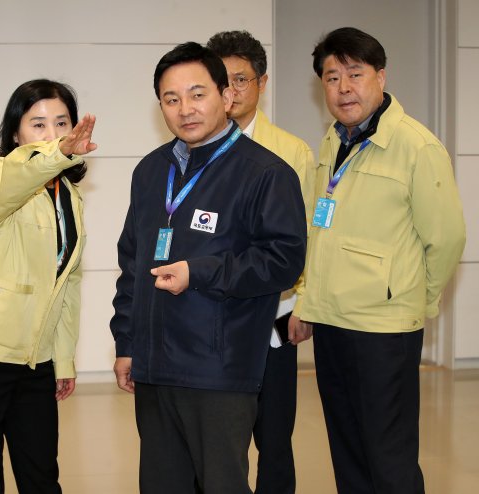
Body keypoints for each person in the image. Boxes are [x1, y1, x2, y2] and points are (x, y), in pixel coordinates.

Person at [110, 42, 307, 493]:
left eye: (198, 94)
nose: (185, 109)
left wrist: (200, 272)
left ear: (226, 95)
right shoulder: (149, 171)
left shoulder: (265, 173)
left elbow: (283, 260)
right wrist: (127, 342)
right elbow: (131, 266)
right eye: (171, 98)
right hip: (156, 366)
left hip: (219, 369)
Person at [290, 27, 466, 493]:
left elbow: (446, 239)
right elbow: (318, 229)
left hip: (384, 328)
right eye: (332, 77)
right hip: (331, 321)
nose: (344, 87)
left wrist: (412, 302)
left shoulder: (416, 146)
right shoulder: (333, 141)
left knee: (388, 455)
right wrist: (308, 299)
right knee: (346, 450)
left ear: (380, 76)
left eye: (355, 73)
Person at [0, 79, 96, 493]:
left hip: (34, 360)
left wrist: (63, 358)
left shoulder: (70, 197)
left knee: (42, 476)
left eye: (61, 123)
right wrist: (55, 154)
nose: (52, 135)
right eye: (38, 124)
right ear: (15, 134)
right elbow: (16, 180)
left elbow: (69, 283)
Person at [207, 30, 314, 494]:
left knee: (274, 440)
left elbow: (306, 237)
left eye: (241, 79)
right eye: (221, 81)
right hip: (210, 318)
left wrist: (303, 303)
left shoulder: (291, 152)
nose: (230, 92)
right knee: (213, 444)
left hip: (273, 317)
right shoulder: (195, 147)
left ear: (261, 82)